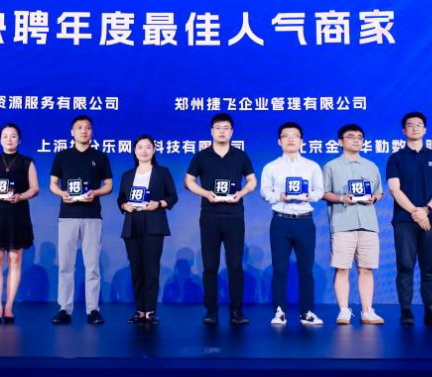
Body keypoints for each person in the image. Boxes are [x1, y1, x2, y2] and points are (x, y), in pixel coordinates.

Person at [184, 113, 257, 326]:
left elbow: (252, 181)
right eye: (218, 128)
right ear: (211, 131)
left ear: (232, 132)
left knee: (235, 265)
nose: (222, 131)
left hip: (234, 216)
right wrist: (205, 194)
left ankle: (236, 311)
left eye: (226, 128)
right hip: (210, 216)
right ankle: (211, 311)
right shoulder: (201, 156)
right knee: (210, 265)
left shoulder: (240, 156)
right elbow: (188, 181)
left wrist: (242, 193)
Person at [49, 115, 114, 325]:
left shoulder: (100, 156)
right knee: (65, 265)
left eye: (87, 128)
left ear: (92, 132)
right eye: (79, 127)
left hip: (92, 216)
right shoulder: (62, 156)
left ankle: (92, 309)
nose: (84, 131)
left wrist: (95, 192)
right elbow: (52, 184)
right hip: (67, 215)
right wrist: (61, 193)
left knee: (92, 266)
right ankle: (64, 309)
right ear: (72, 132)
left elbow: (109, 186)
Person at [386, 111, 432, 326]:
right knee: (405, 265)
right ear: (403, 130)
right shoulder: (395, 158)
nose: (415, 128)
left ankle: (430, 310)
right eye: (410, 125)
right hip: (404, 220)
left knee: (429, 266)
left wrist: (427, 209)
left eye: (419, 124)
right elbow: (395, 190)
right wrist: (416, 211)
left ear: (425, 129)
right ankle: (406, 311)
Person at [259, 121, 325, 326]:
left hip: (305, 221)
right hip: (281, 221)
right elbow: (264, 192)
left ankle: (307, 312)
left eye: (295, 136)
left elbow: (319, 191)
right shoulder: (271, 167)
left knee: (306, 269)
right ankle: (279, 311)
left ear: (301, 141)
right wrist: (279, 196)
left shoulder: (312, 166)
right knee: (280, 269)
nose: (290, 139)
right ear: (279, 141)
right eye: (285, 136)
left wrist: (308, 196)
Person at [323, 124, 385, 325]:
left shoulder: (371, 166)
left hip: (368, 224)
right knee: (342, 269)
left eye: (360, 137)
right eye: (351, 136)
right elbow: (323, 192)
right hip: (342, 223)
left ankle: (367, 311)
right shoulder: (331, 166)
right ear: (340, 142)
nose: (356, 140)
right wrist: (342, 198)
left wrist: (374, 199)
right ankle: (343, 310)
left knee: (366, 269)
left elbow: (379, 191)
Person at [0, 123, 39, 324]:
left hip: (17, 214)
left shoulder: (27, 162)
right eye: (5, 136)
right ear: (0, 139)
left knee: (15, 260)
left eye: (13, 136)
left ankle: (9, 306)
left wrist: (20, 196)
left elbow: (34, 189)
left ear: (19, 140)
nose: (9, 139)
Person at [117, 135, 179, 324]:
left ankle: (150, 311)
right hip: (132, 224)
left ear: (154, 150)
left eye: (148, 147)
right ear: (134, 151)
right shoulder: (127, 175)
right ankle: (139, 311)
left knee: (151, 269)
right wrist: (124, 206)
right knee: (136, 269)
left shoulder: (162, 172)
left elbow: (172, 197)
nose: (144, 151)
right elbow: (121, 198)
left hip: (154, 224)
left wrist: (158, 204)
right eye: (140, 147)